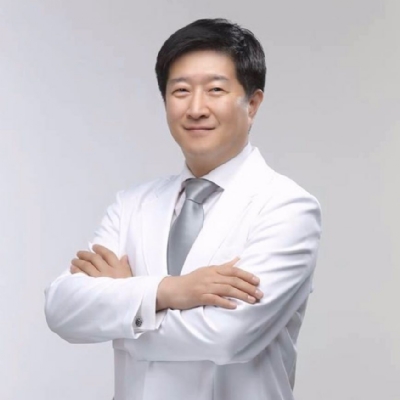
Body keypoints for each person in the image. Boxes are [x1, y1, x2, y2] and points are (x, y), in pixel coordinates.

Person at [45, 18, 321, 400]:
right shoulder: (131, 205)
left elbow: (228, 337)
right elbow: (62, 308)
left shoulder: (288, 207)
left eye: (215, 90)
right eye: (180, 91)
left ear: (252, 104)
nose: (196, 108)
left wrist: (123, 310)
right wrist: (171, 290)